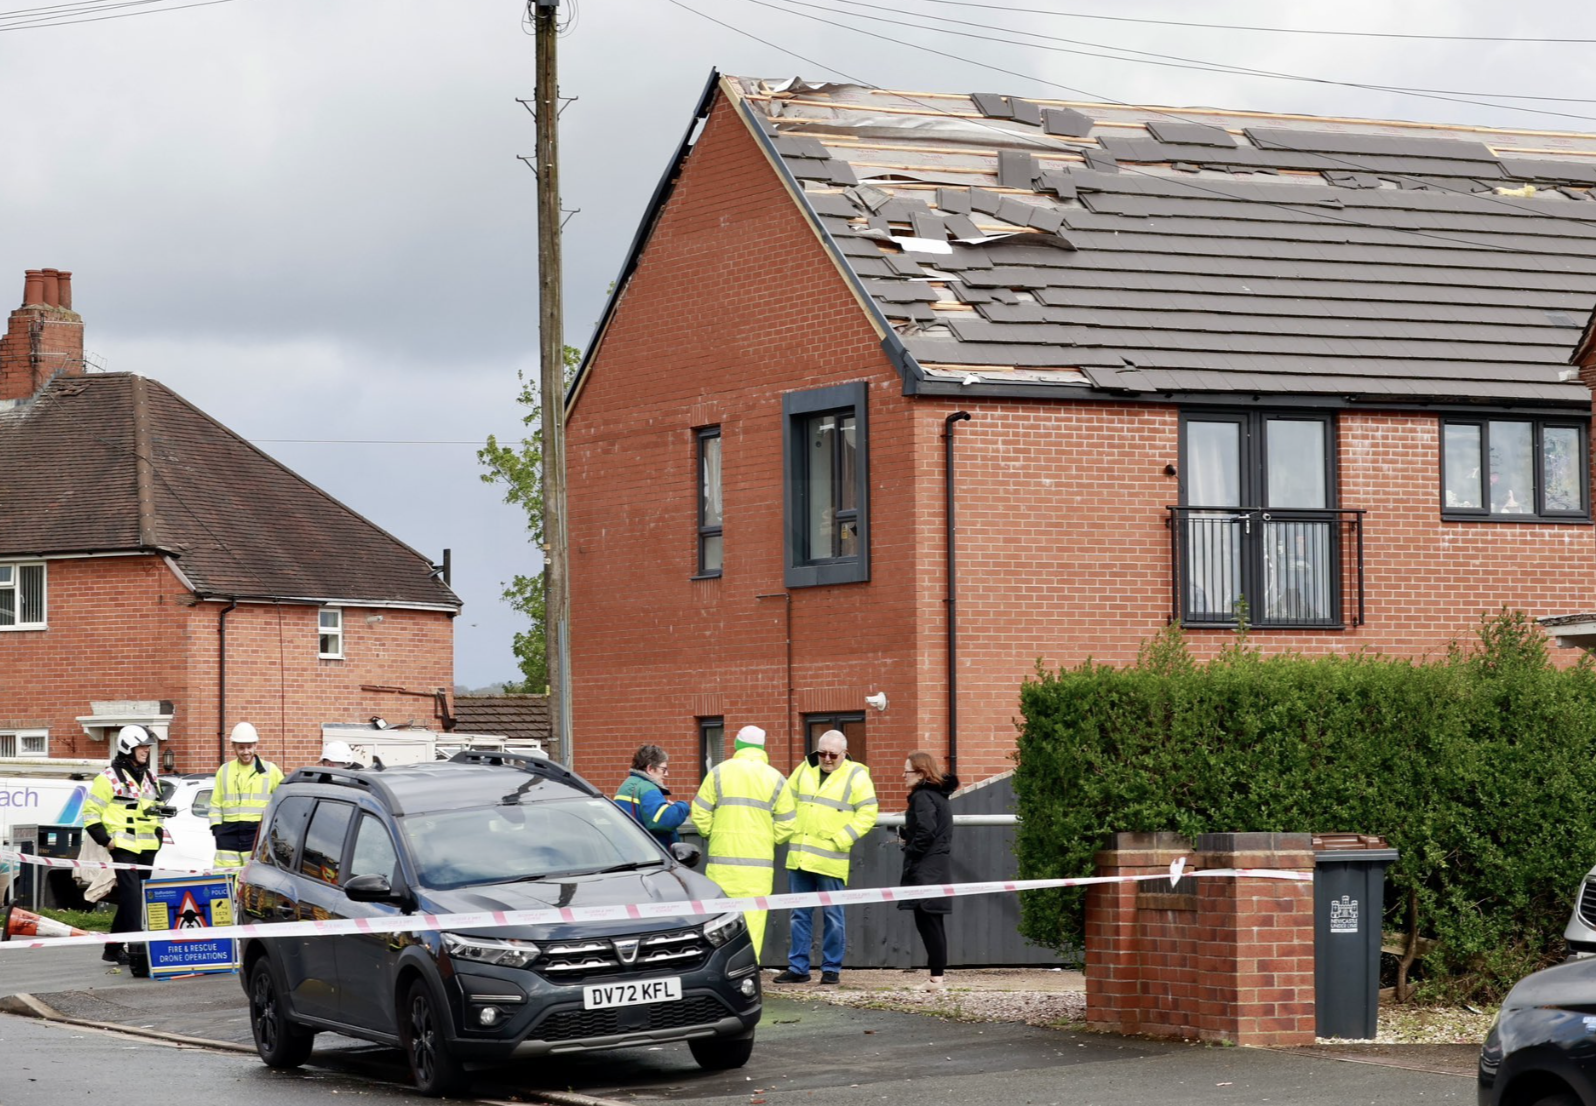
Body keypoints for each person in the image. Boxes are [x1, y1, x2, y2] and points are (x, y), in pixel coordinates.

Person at [773, 729, 877, 985]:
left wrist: (841, 839)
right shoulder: (803, 769)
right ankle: (798, 968)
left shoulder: (856, 775)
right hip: (799, 856)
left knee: (833, 915)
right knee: (800, 914)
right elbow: (785, 803)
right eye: (822, 753)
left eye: (833, 754)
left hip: (830, 858)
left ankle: (831, 968)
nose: (827, 759)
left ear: (845, 754)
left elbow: (868, 812)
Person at [691, 724, 796, 959]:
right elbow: (788, 823)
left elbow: (699, 812)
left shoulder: (719, 772)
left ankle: (720, 971)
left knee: (720, 921)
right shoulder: (775, 778)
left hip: (722, 865)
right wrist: (768, 840)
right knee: (754, 922)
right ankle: (749, 972)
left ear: (737, 745)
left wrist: (713, 833)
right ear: (762, 748)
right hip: (757, 867)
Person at [82, 725, 165, 974]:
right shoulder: (108, 778)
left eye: (148, 747)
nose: (146, 751)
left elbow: (157, 809)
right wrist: (105, 840)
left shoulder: (150, 777)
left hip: (147, 848)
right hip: (123, 848)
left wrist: (158, 834)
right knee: (132, 899)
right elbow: (90, 813)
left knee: (133, 899)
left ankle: (112, 948)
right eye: (142, 747)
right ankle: (140, 952)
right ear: (128, 747)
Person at [898, 750, 958, 990]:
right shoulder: (938, 796)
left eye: (907, 771)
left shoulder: (922, 796)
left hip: (926, 871)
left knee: (928, 923)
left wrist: (910, 848)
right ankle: (937, 977)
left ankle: (936, 979)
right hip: (937, 869)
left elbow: (926, 830)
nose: (903, 775)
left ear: (921, 773)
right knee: (934, 923)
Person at [209, 722, 285, 869]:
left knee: (253, 874)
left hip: (256, 831)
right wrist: (216, 828)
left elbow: (282, 802)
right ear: (234, 747)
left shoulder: (271, 770)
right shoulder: (224, 770)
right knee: (224, 874)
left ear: (255, 745)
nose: (245, 752)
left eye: (249, 747)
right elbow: (215, 803)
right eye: (241, 748)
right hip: (227, 832)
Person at [613, 744, 691, 845]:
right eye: (663, 769)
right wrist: (682, 807)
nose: (667, 774)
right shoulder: (647, 788)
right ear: (650, 769)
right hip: (650, 852)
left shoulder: (627, 785)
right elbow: (662, 821)